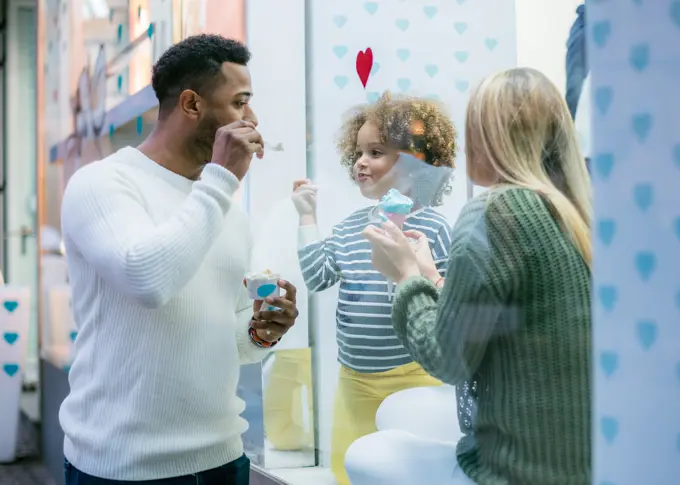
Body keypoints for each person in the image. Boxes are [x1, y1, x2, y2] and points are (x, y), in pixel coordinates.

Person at [59, 34, 299, 485]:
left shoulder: (222, 201)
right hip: (120, 468)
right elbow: (147, 280)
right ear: (191, 104)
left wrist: (261, 329)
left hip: (223, 458)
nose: (252, 118)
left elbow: (228, 340)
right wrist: (222, 178)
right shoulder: (102, 184)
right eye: (240, 102)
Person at [357, 68, 592, 485]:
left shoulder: (494, 213)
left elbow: (448, 359)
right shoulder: (576, 211)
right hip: (581, 460)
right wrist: (433, 275)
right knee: (393, 410)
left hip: (519, 471)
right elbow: (497, 317)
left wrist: (408, 278)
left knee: (365, 453)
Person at [292, 92, 457, 485]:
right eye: (359, 153)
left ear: (415, 163)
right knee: (347, 473)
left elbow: (447, 304)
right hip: (354, 385)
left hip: (416, 379)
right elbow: (317, 276)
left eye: (376, 152)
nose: (361, 162)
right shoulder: (351, 226)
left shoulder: (433, 227)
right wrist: (307, 216)